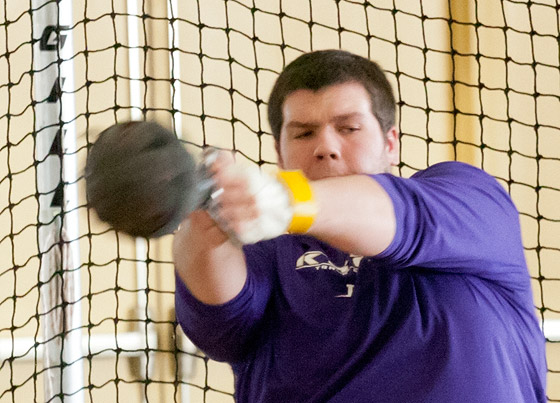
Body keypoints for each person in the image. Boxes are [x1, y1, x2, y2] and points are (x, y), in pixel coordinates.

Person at [173, 49, 547, 402]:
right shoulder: (262, 250)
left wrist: (288, 201)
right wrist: (202, 215)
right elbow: (221, 323)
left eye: (348, 128)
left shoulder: (466, 199)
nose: (326, 147)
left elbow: (405, 217)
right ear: (279, 153)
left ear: (390, 143)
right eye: (304, 133)